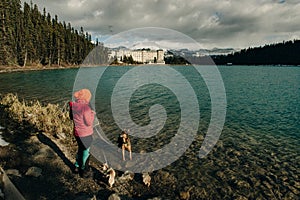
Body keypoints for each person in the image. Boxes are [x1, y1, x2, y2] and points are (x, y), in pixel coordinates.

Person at [69, 88, 95, 178]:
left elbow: (71, 117)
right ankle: (84, 170)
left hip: (77, 133)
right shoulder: (86, 107)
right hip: (86, 134)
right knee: (86, 152)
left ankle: (76, 166)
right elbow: (89, 122)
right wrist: (92, 114)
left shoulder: (74, 105)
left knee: (80, 149)